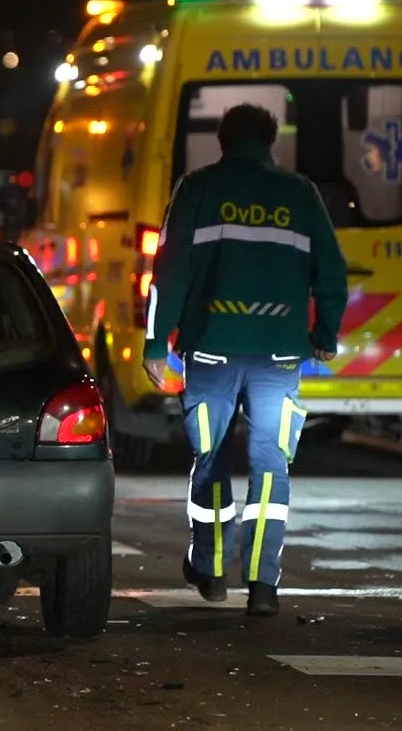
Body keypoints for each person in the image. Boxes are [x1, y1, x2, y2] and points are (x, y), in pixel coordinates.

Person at [142, 102, 349, 617]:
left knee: (210, 459)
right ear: (272, 141)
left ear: (223, 140)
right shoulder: (299, 193)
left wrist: (153, 344)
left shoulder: (197, 188)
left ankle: (211, 569)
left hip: (210, 350)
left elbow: (168, 272)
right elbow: (333, 271)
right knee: (270, 466)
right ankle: (263, 586)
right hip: (279, 354)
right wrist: (323, 334)